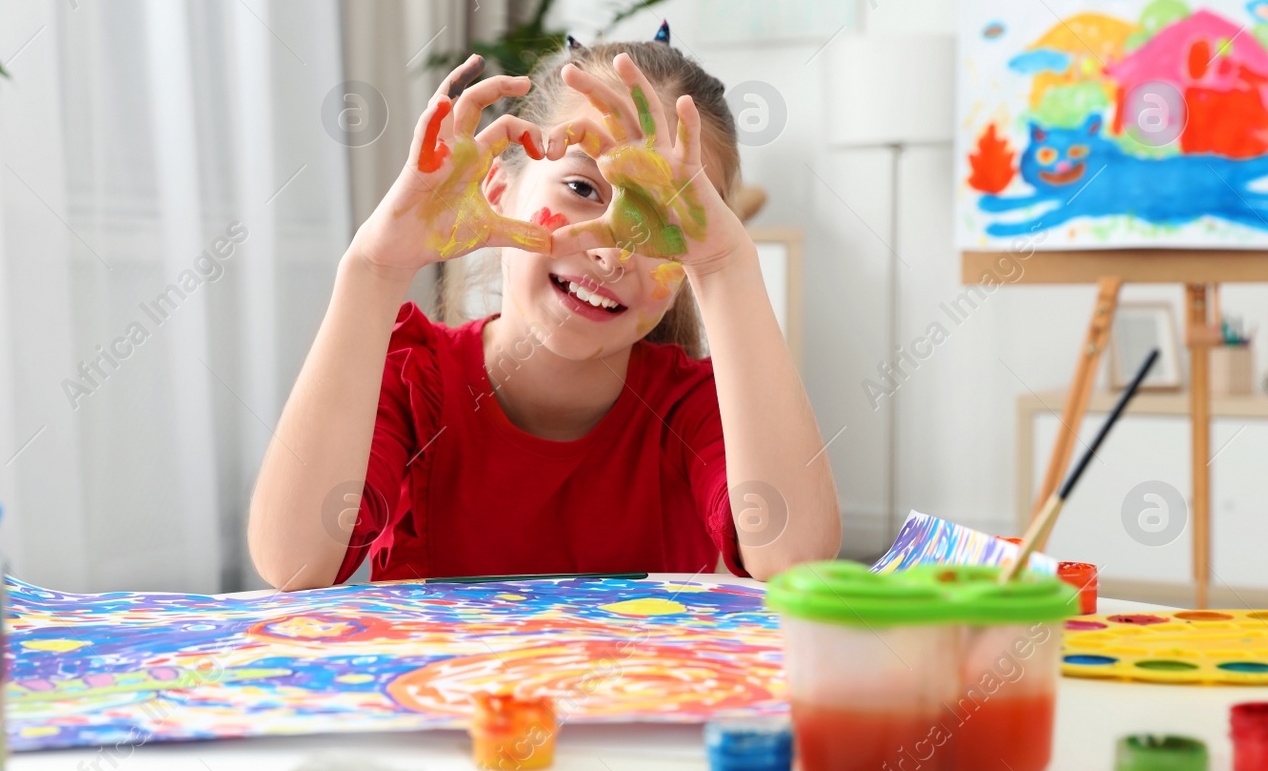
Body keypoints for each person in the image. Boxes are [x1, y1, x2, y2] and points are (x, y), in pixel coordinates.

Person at [249, 33, 839, 589]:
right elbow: (294, 562)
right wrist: (372, 270)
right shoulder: (416, 380)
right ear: (499, 192)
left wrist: (726, 266)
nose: (612, 250)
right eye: (582, 190)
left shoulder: (697, 410)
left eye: (662, 217)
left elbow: (793, 564)